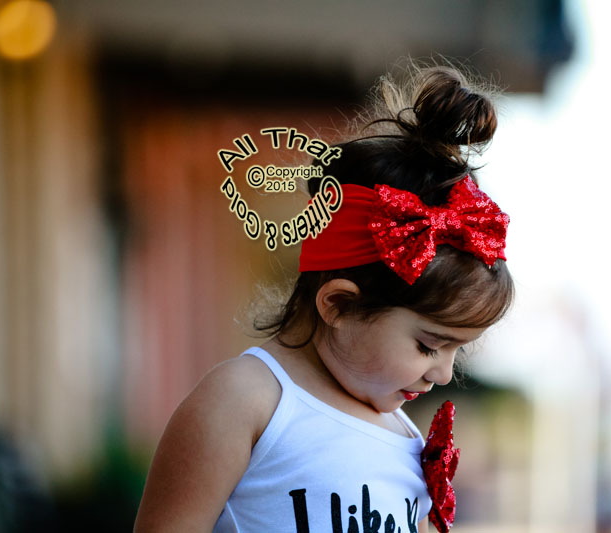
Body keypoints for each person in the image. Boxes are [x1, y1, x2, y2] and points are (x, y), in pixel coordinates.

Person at [133, 60, 514, 533]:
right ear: (338, 304)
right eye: (429, 345)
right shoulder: (246, 402)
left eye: (457, 350)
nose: (441, 373)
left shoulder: (404, 438)